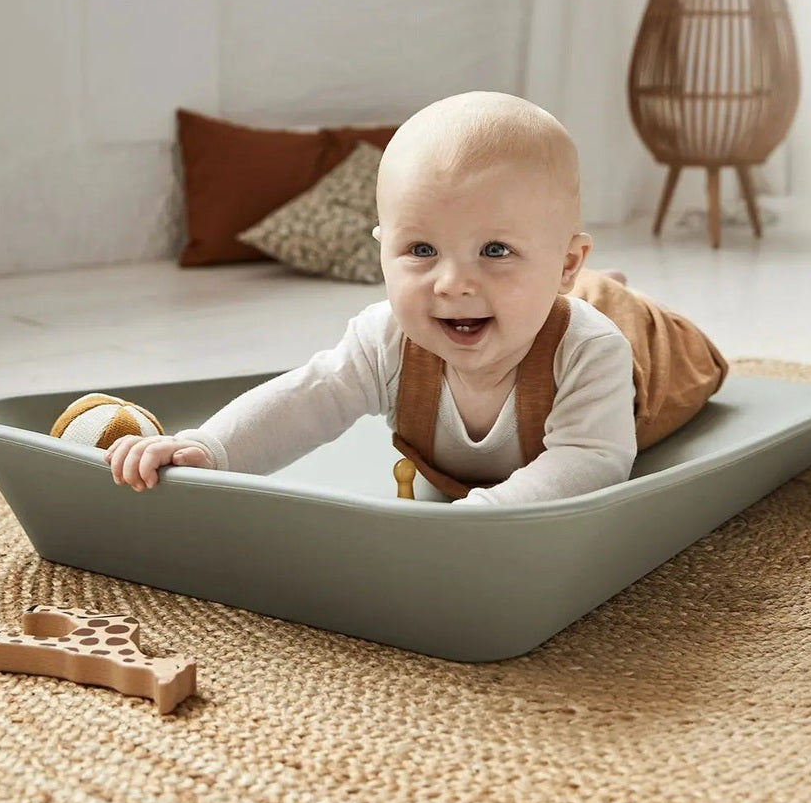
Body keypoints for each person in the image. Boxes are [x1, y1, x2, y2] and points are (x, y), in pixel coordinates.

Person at [105, 91, 726, 504]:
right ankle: (566, 279)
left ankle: (605, 290)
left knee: (645, 334)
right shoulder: (388, 338)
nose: (451, 283)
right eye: (422, 251)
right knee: (528, 300)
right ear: (382, 251)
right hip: (544, 296)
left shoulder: (593, 352)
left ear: (564, 261)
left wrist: (482, 516)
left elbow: (592, 460)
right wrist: (212, 449)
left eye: (495, 250)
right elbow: (308, 397)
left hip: (641, 352)